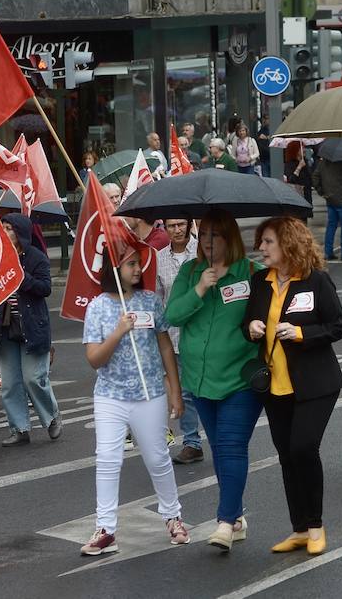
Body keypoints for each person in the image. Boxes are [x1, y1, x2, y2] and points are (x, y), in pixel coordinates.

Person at [244, 216, 342, 556]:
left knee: (304, 448)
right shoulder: (261, 281)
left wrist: (301, 333)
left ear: (288, 244)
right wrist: (253, 326)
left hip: (316, 383)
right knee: (287, 456)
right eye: (261, 241)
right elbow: (248, 322)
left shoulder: (315, 281)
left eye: (268, 241)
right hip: (275, 384)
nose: (261, 248)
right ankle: (299, 528)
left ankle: (316, 526)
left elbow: (337, 326)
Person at [164, 211, 263, 549]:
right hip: (200, 379)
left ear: (230, 237)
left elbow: (273, 310)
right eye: (203, 234)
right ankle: (235, 517)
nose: (207, 241)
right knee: (220, 449)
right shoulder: (191, 272)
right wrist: (201, 288)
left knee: (232, 446)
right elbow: (172, 315)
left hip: (239, 379)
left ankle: (224, 521)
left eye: (215, 235)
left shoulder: (251, 273)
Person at [81, 248, 188, 555]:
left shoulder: (150, 301)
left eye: (138, 263)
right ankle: (105, 529)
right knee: (107, 459)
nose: (138, 268)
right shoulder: (98, 307)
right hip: (110, 397)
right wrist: (118, 331)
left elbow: (166, 349)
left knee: (157, 458)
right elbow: (94, 360)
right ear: (114, 268)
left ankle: (173, 517)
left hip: (149, 393)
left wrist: (174, 391)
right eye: (130, 263)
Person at [0, 214, 62, 446]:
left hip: (32, 327)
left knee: (33, 378)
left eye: (9, 228)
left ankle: (51, 416)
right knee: (10, 383)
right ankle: (19, 428)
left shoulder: (36, 258)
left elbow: (45, 288)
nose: (4, 232)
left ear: (20, 232)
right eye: (2, 227)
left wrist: (22, 277)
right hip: (4, 328)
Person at [153, 218, 203, 463]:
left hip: (203, 334)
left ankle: (218, 438)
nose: (177, 230)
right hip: (174, 335)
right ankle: (192, 442)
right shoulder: (159, 258)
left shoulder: (203, 251)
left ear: (189, 225)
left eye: (181, 224)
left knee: (206, 389)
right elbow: (158, 299)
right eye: (171, 226)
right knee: (183, 392)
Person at [313, 157, 342, 261]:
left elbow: (315, 177)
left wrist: (321, 191)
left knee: (331, 226)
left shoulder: (323, 162)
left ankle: (328, 252)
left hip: (330, 198)